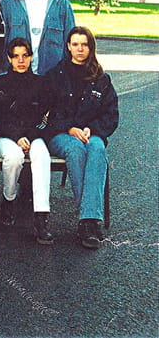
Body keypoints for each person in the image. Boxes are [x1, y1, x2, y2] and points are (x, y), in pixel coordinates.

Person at [44, 27, 118, 250]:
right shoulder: (55, 76)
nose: (79, 49)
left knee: (97, 149)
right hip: (61, 135)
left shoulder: (101, 79)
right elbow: (46, 115)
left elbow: (111, 115)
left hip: (91, 133)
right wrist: (70, 128)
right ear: (68, 46)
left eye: (84, 44)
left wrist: (90, 129)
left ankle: (88, 220)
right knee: (76, 150)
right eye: (75, 44)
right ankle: (88, 219)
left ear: (90, 47)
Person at [0, 38, 54, 244]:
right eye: (16, 56)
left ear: (31, 57)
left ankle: (41, 216)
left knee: (42, 156)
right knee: (14, 157)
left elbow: (46, 118)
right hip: (4, 137)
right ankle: (9, 200)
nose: (20, 60)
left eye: (25, 56)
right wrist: (17, 136)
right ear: (9, 58)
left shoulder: (42, 84)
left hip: (33, 136)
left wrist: (30, 136)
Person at [0, 0, 76, 75]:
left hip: (52, 75)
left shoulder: (61, 3)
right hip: (18, 75)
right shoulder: (8, 3)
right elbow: (1, 42)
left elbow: (71, 40)